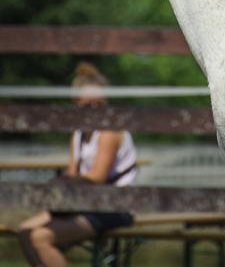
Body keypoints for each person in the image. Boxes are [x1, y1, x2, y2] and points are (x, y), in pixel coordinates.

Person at [18, 62, 138, 267]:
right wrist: (64, 183)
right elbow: (73, 174)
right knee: (24, 232)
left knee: (40, 238)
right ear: (75, 105)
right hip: (88, 204)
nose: (95, 110)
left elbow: (98, 177)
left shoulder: (109, 130)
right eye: (88, 106)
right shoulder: (79, 134)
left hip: (115, 206)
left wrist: (63, 182)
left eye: (99, 104)